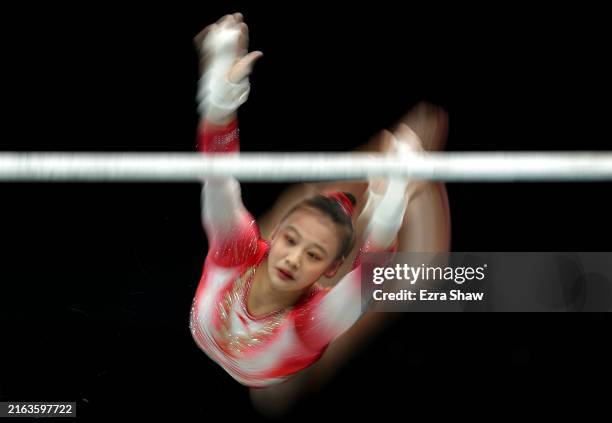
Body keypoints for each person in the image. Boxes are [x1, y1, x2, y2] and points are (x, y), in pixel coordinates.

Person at [189, 13, 450, 390]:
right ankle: (381, 189)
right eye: (291, 241)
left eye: (314, 255)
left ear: (330, 272)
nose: (293, 258)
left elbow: (368, 276)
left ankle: (386, 191)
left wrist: (393, 199)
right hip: (218, 336)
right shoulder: (238, 250)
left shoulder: (309, 322)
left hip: (264, 374)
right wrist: (219, 99)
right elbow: (216, 179)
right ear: (274, 233)